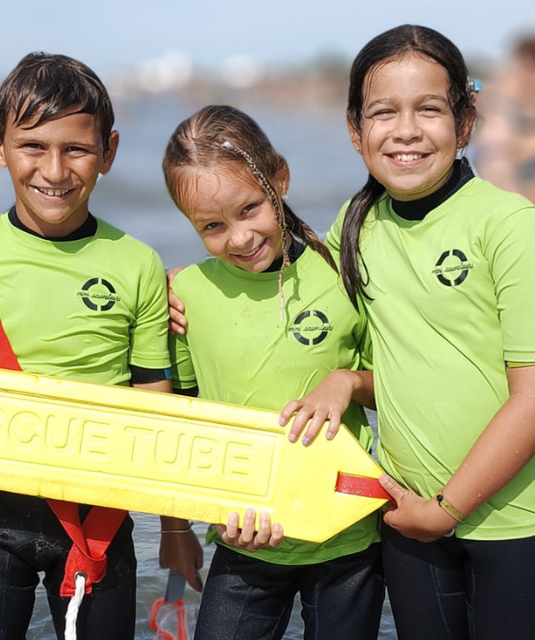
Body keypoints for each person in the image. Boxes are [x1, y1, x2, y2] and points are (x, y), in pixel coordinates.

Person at [0, 52, 202, 640]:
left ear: (110, 151)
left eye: (76, 149)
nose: (54, 169)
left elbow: (157, 411)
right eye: (33, 146)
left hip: (100, 527)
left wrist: (175, 530)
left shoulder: (136, 264)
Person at [331, 25, 535, 639]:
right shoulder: (355, 226)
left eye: (430, 109)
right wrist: (183, 292)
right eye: (384, 112)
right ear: (357, 132)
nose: (406, 130)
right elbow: (300, 322)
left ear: (465, 124)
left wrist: (446, 510)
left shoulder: (512, 227)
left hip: (515, 520)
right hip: (409, 512)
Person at [161, 104, 383, 640]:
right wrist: (177, 526)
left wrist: (347, 381)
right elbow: (178, 419)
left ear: (279, 177)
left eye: (250, 208)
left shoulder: (345, 271)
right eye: (212, 226)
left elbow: (399, 386)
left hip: (348, 535)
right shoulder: (187, 295)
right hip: (243, 535)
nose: (239, 238)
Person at [473, 32, 535, 223]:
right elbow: (482, 104)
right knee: (510, 220)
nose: (525, 65)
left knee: (532, 220)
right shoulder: (506, 81)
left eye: (528, 59)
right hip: (511, 159)